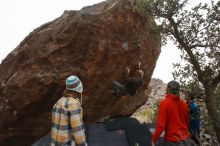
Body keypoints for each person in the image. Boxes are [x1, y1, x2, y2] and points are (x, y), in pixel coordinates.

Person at [152, 80, 193, 146]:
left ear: (168, 89)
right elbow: (187, 122)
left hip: (172, 141)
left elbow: (161, 126)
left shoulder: (164, 103)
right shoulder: (184, 104)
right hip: (185, 140)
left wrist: (154, 140)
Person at [51, 75, 88, 146]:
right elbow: (77, 130)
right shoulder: (74, 104)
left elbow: (53, 127)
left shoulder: (58, 102)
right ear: (79, 88)